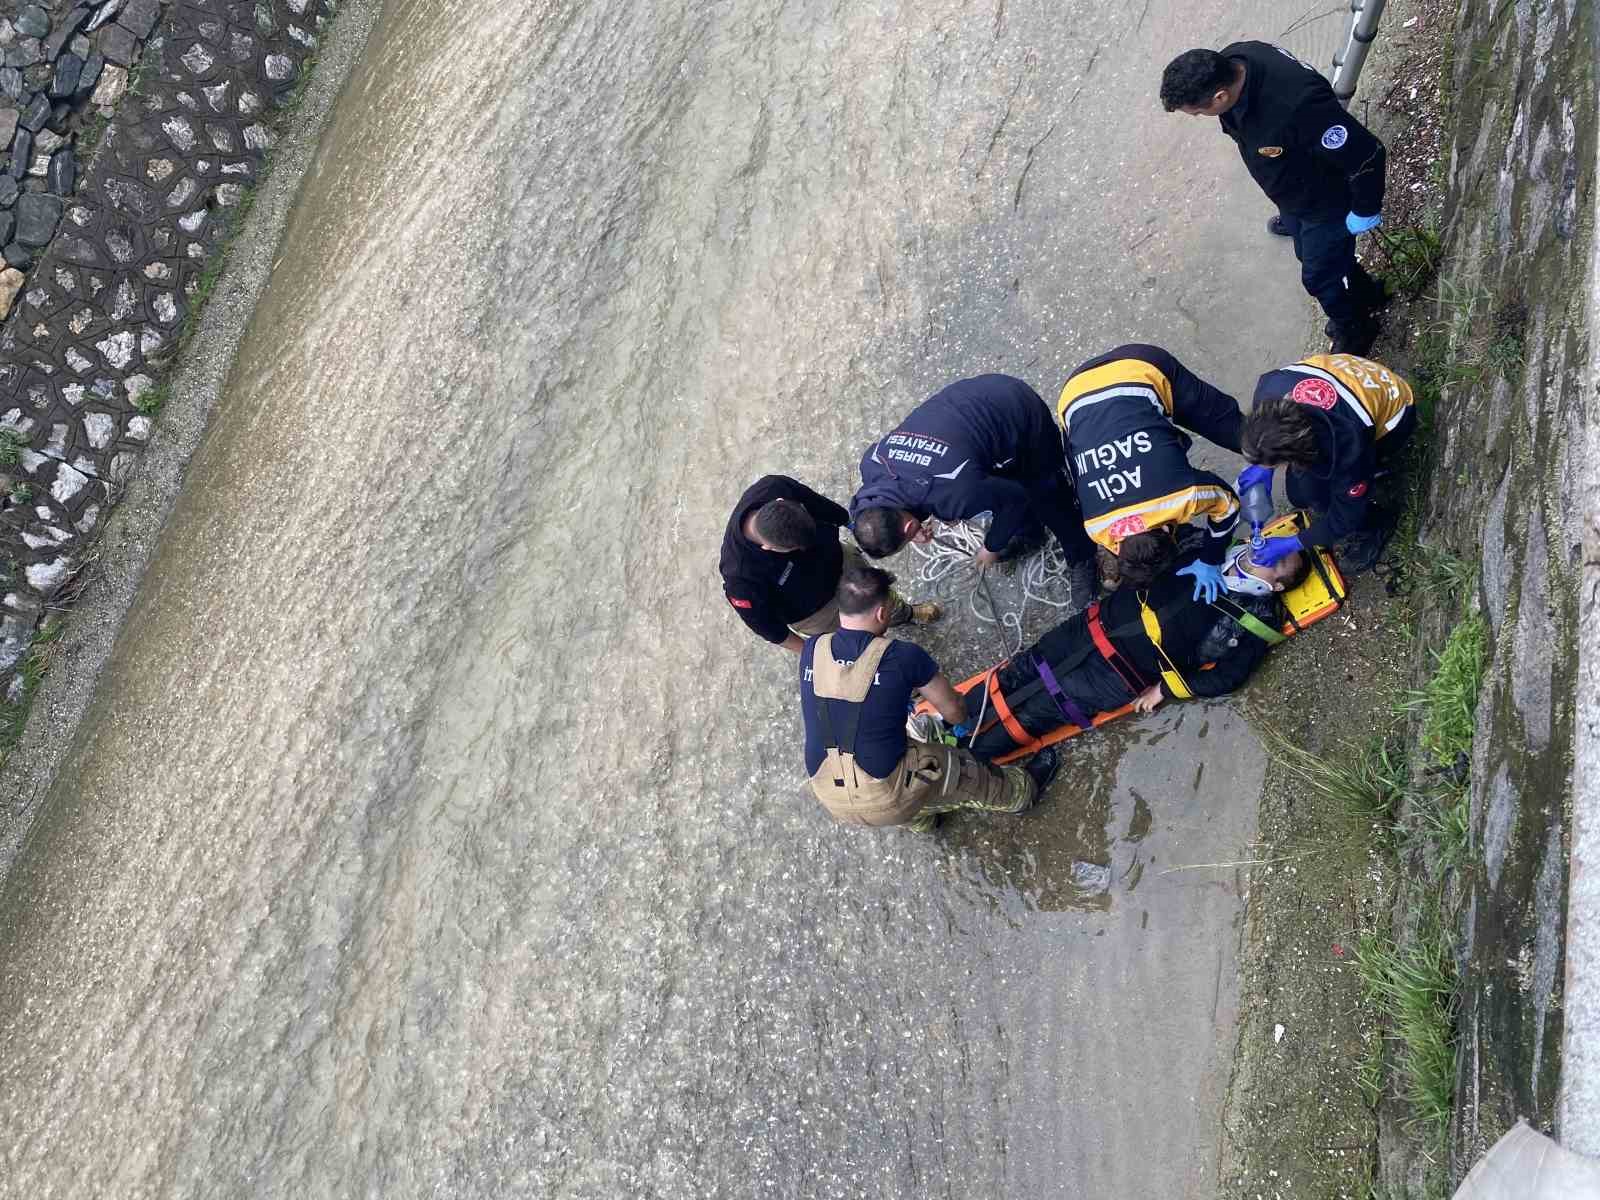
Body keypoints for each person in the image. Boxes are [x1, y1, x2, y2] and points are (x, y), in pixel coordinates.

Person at [963, 539, 1310, 760]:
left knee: (1033, 715)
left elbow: (1229, 677)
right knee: (1020, 671)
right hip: (1092, 626)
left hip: (1117, 675)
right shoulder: (1210, 549)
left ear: (1275, 585)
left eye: (1278, 561)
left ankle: (961, 762)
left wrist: (1165, 688)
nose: (1268, 551)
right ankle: (947, 720)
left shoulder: (1258, 618)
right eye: (1276, 545)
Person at [1160, 43, 1388, 355]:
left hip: (1325, 203)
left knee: (1319, 276)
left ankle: (1356, 327)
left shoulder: (1299, 106)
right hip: (1295, 193)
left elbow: (1366, 154)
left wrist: (1365, 208)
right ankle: (1366, 293)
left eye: (1199, 112)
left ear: (1220, 97)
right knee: (1309, 253)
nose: (1200, 117)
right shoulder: (1236, 59)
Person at [801, 565, 1061, 832]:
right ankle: (1022, 793)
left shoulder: (812, 649)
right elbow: (953, 708)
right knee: (967, 774)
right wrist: (961, 722)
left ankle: (924, 823)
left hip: (829, 792)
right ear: (881, 613)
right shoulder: (902, 656)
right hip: (887, 794)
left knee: (891, 765)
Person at [849, 374, 1099, 604]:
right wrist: (915, 524)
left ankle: (1082, 556)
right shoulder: (871, 465)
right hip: (970, 403)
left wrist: (991, 546)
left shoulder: (956, 493)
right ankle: (1030, 533)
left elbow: (1015, 500)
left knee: (1047, 494)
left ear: (907, 526)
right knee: (994, 488)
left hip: (1019, 414)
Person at [1056, 343, 1244, 600]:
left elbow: (1229, 506)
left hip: (1139, 369)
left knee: (1231, 426)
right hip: (1073, 394)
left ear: (1167, 531)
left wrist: (1212, 557)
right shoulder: (1096, 528)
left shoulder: (1183, 497)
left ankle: (1273, 448)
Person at [721, 475, 942, 653]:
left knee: (883, 599)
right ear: (767, 548)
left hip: (843, 562)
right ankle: (901, 680)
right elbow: (769, 629)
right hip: (818, 612)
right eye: (795, 550)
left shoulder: (774, 487)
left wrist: (874, 527)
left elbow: (821, 505)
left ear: (783, 502)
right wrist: (813, 655)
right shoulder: (740, 578)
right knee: (861, 645)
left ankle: (906, 614)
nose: (804, 550)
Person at [1238, 352, 1416, 572]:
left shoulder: (1346, 451)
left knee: (1325, 501)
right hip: (1353, 378)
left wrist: (1295, 543)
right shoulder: (1269, 392)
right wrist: (1262, 466)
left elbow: (1344, 517)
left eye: (1274, 464)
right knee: (1302, 495)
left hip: (1398, 413)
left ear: (1299, 454)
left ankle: (1378, 522)